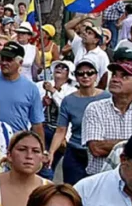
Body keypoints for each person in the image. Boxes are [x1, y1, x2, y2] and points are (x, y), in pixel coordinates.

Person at [46, 57, 109, 185]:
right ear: (76, 76)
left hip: (99, 152)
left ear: (96, 75)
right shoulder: (68, 100)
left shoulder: (107, 97)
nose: (85, 76)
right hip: (75, 151)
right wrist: (51, 152)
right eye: (81, 73)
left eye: (89, 73)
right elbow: (60, 130)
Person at [81, 61, 132, 176]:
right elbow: (96, 149)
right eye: (114, 75)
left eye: (124, 76)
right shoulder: (95, 108)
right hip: (101, 180)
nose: (115, 79)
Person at [0, 41, 45, 140]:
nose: (4, 63)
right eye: (2, 58)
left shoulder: (31, 88)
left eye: (9, 60)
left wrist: (40, 150)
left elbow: (37, 123)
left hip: (16, 142)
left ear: (20, 62)